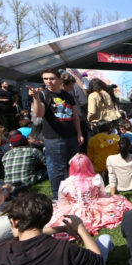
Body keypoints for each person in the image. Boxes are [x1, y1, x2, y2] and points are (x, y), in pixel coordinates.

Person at [27, 68, 84, 199]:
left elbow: (75, 115)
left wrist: (79, 133)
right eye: (45, 79)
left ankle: (73, 194)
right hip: (54, 138)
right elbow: (39, 114)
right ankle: (58, 197)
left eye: (51, 78)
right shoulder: (43, 94)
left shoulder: (67, 95)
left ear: (59, 80)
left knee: (73, 167)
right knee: (57, 169)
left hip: (71, 136)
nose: (49, 81)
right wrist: (35, 97)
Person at [47, 153, 132, 236]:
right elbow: (103, 195)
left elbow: (63, 203)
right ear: (89, 165)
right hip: (95, 207)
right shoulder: (96, 178)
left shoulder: (65, 184)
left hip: (74, 212)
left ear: (72, 167)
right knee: (120, 202)